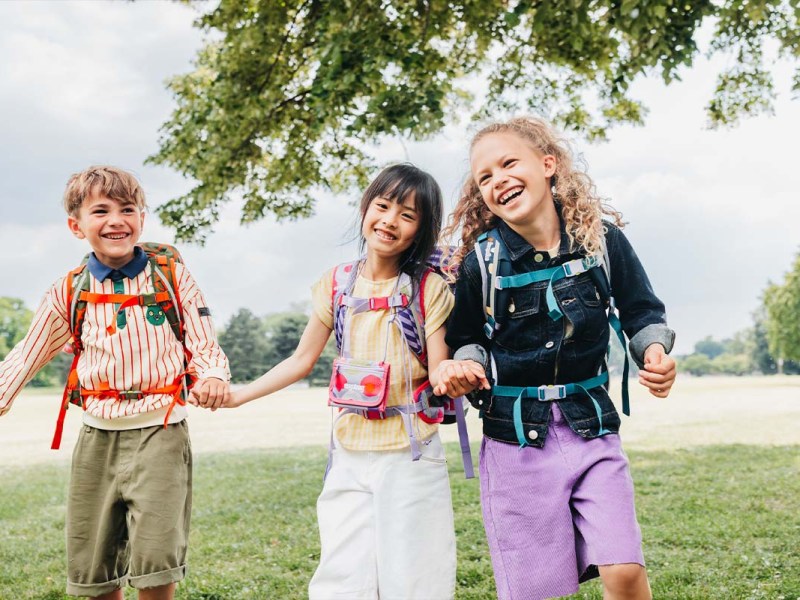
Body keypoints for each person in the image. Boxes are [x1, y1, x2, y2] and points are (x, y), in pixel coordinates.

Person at [437, 117, 677, 600]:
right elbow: (465, 335)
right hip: (515, 441)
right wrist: (465, 365)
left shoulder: (602, 241)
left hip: (592, 430)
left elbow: (641, 309)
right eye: (484, 177)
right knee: (534, 591)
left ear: (548, 165)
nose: (497, 179)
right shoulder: (480, 261)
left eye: (508, 163)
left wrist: (653, 349)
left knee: (625, 570)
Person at [224, 164, 472, 600]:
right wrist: (238, 396)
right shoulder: (335, 284)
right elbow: (302, 359)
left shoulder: (427, 288)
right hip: (348, 452)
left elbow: (438, 368)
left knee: (415, 576)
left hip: (409, 452)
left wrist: (453, 375)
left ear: (421, 230)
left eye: (408, 215)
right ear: (366, 208)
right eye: (383, 206)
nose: (390, 221)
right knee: (343, 576)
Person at [0, 166, 230, 600]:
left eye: (127, 209)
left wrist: (213, 375)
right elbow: (25, 356)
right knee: (93, 560)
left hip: (161, 431)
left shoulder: (171, 276)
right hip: (97, 437)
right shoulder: (67, 291)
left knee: (156, 558)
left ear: (141, 217)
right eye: (100, 211)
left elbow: (204, 342)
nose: (115, 220)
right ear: (77, 225)